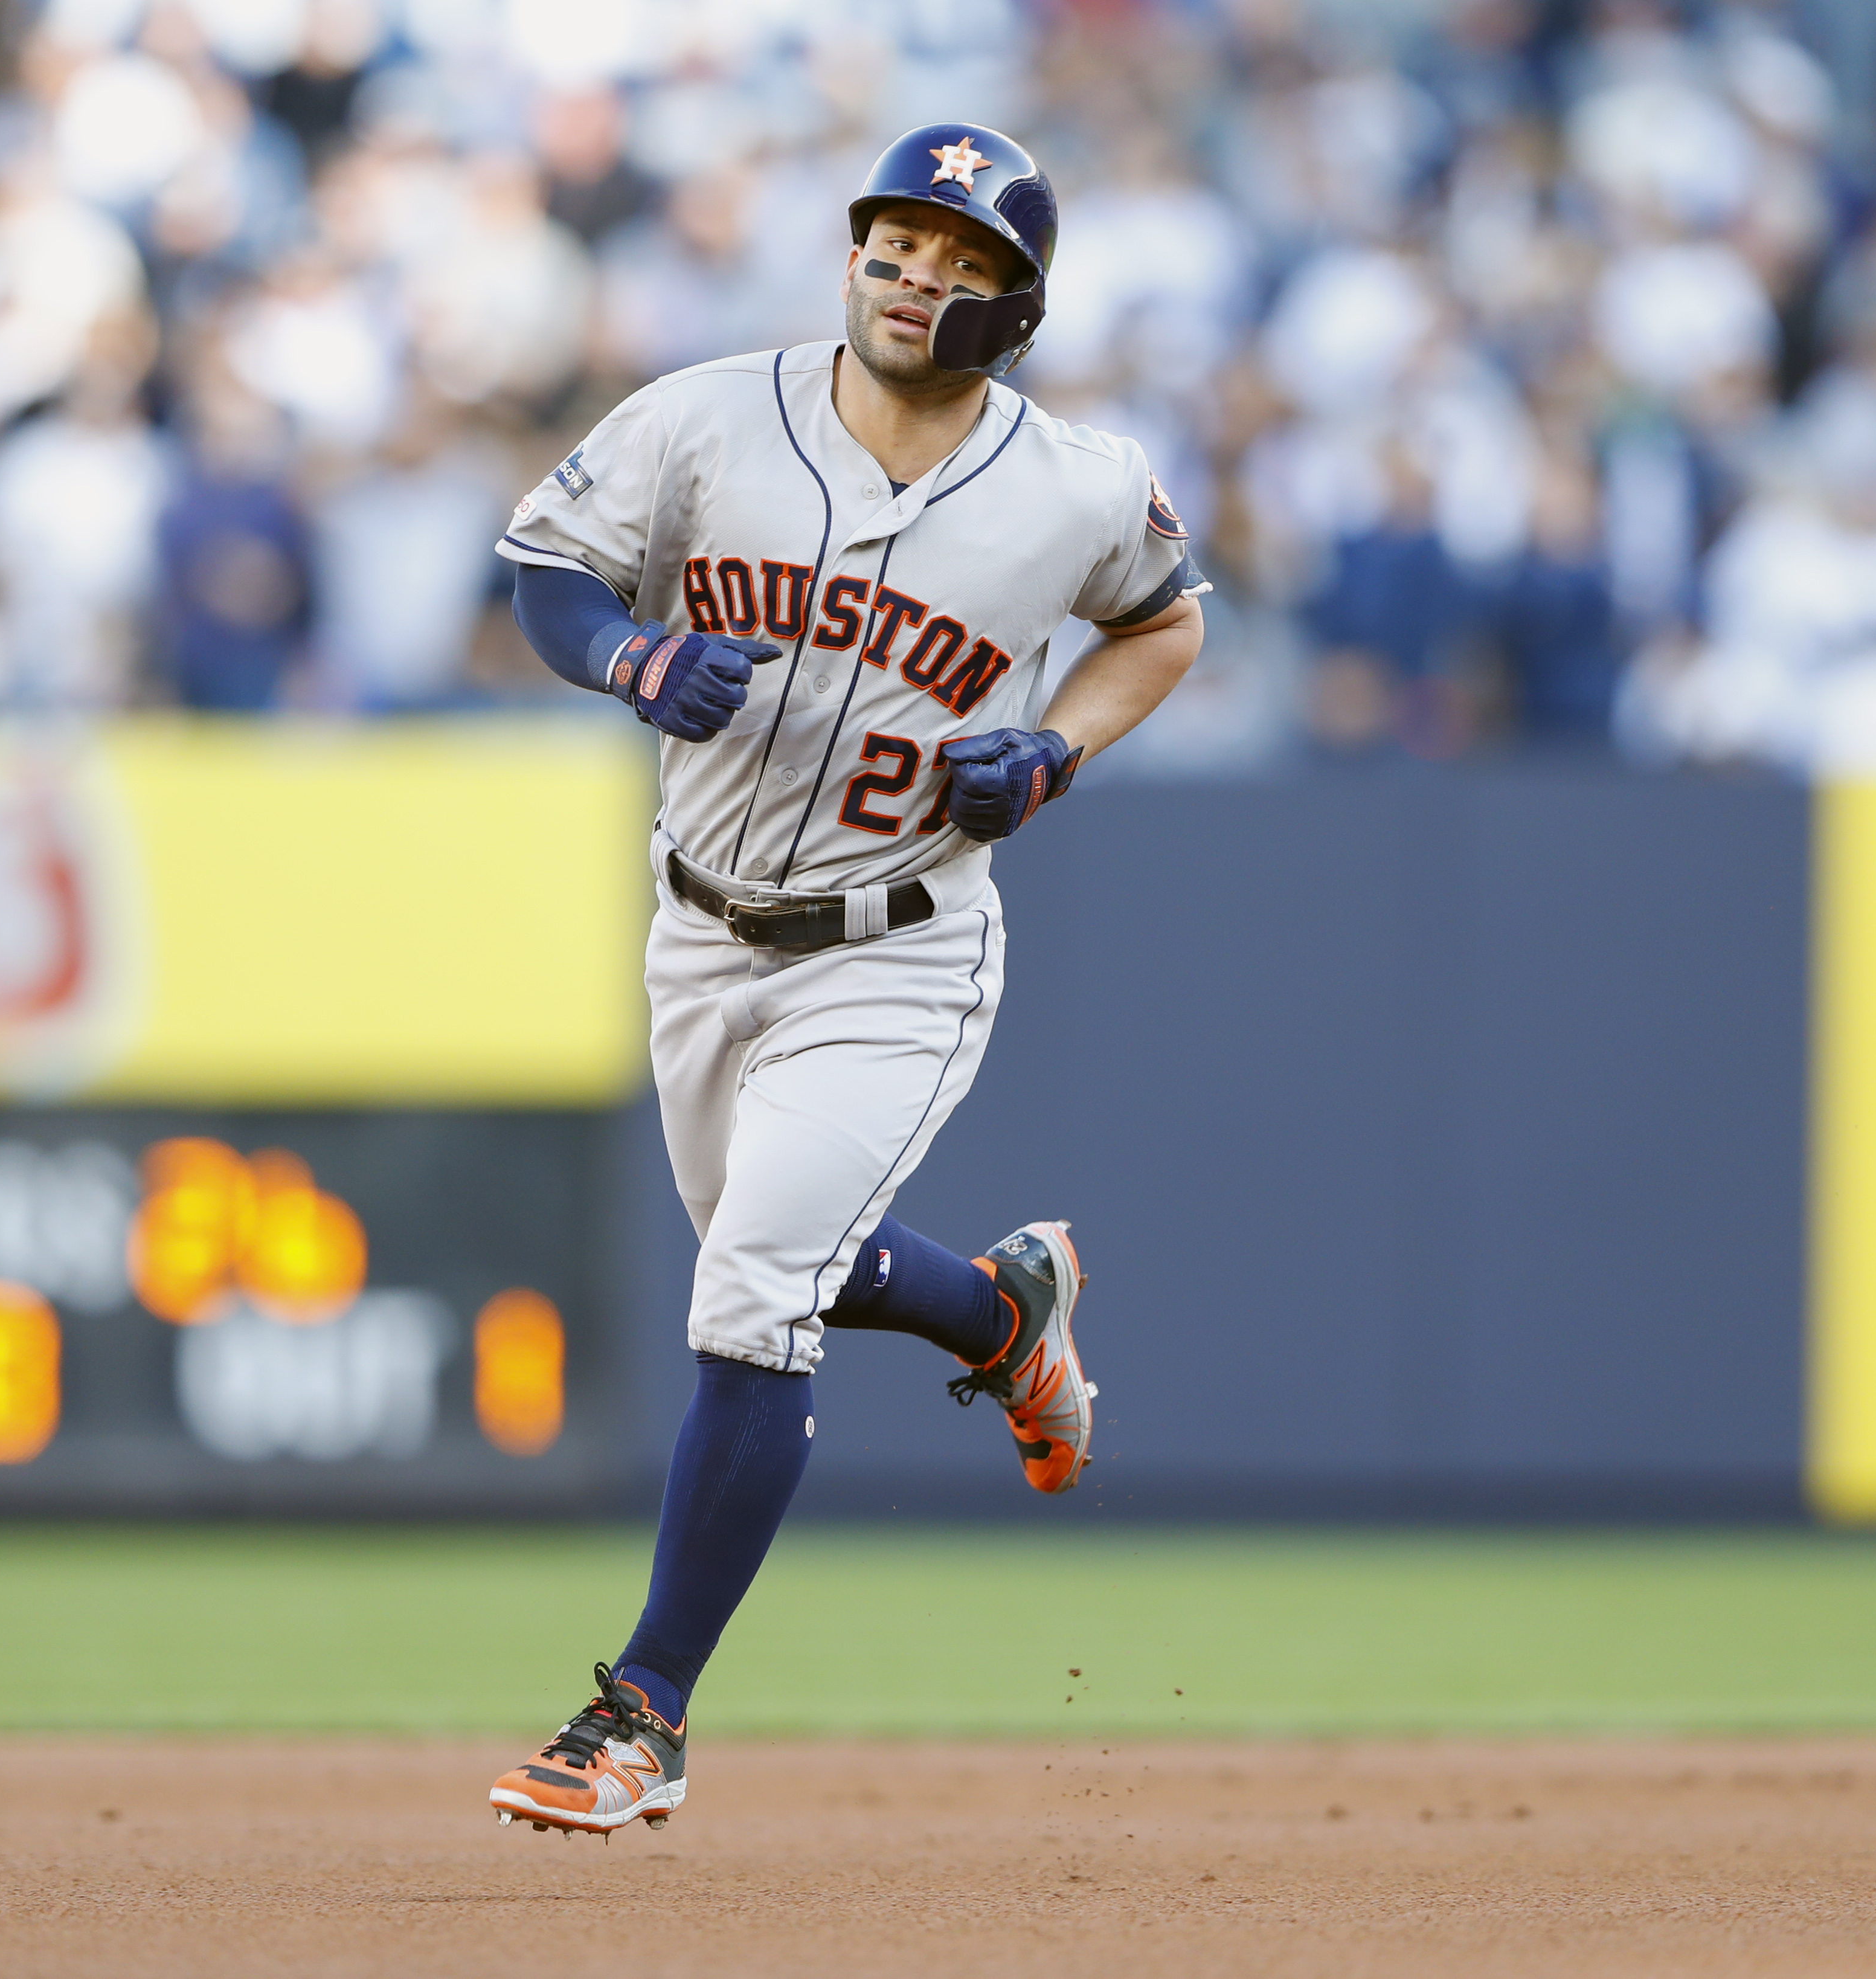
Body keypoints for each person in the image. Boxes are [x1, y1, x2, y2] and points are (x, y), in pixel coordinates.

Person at [485, 125, 1207, 1835]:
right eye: (895, 241)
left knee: (751, 1294)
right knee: (790, 1260)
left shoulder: (1078, 485)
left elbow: (1165, 622)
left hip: (901, 945)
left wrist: (1056, 748)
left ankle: (640, 1713)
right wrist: (632, 652)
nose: (912, 277)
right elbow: (544, 570)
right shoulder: (706, 414)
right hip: (700, 923)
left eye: (958, 263)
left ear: (1011, 309)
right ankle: (1003, 1311)